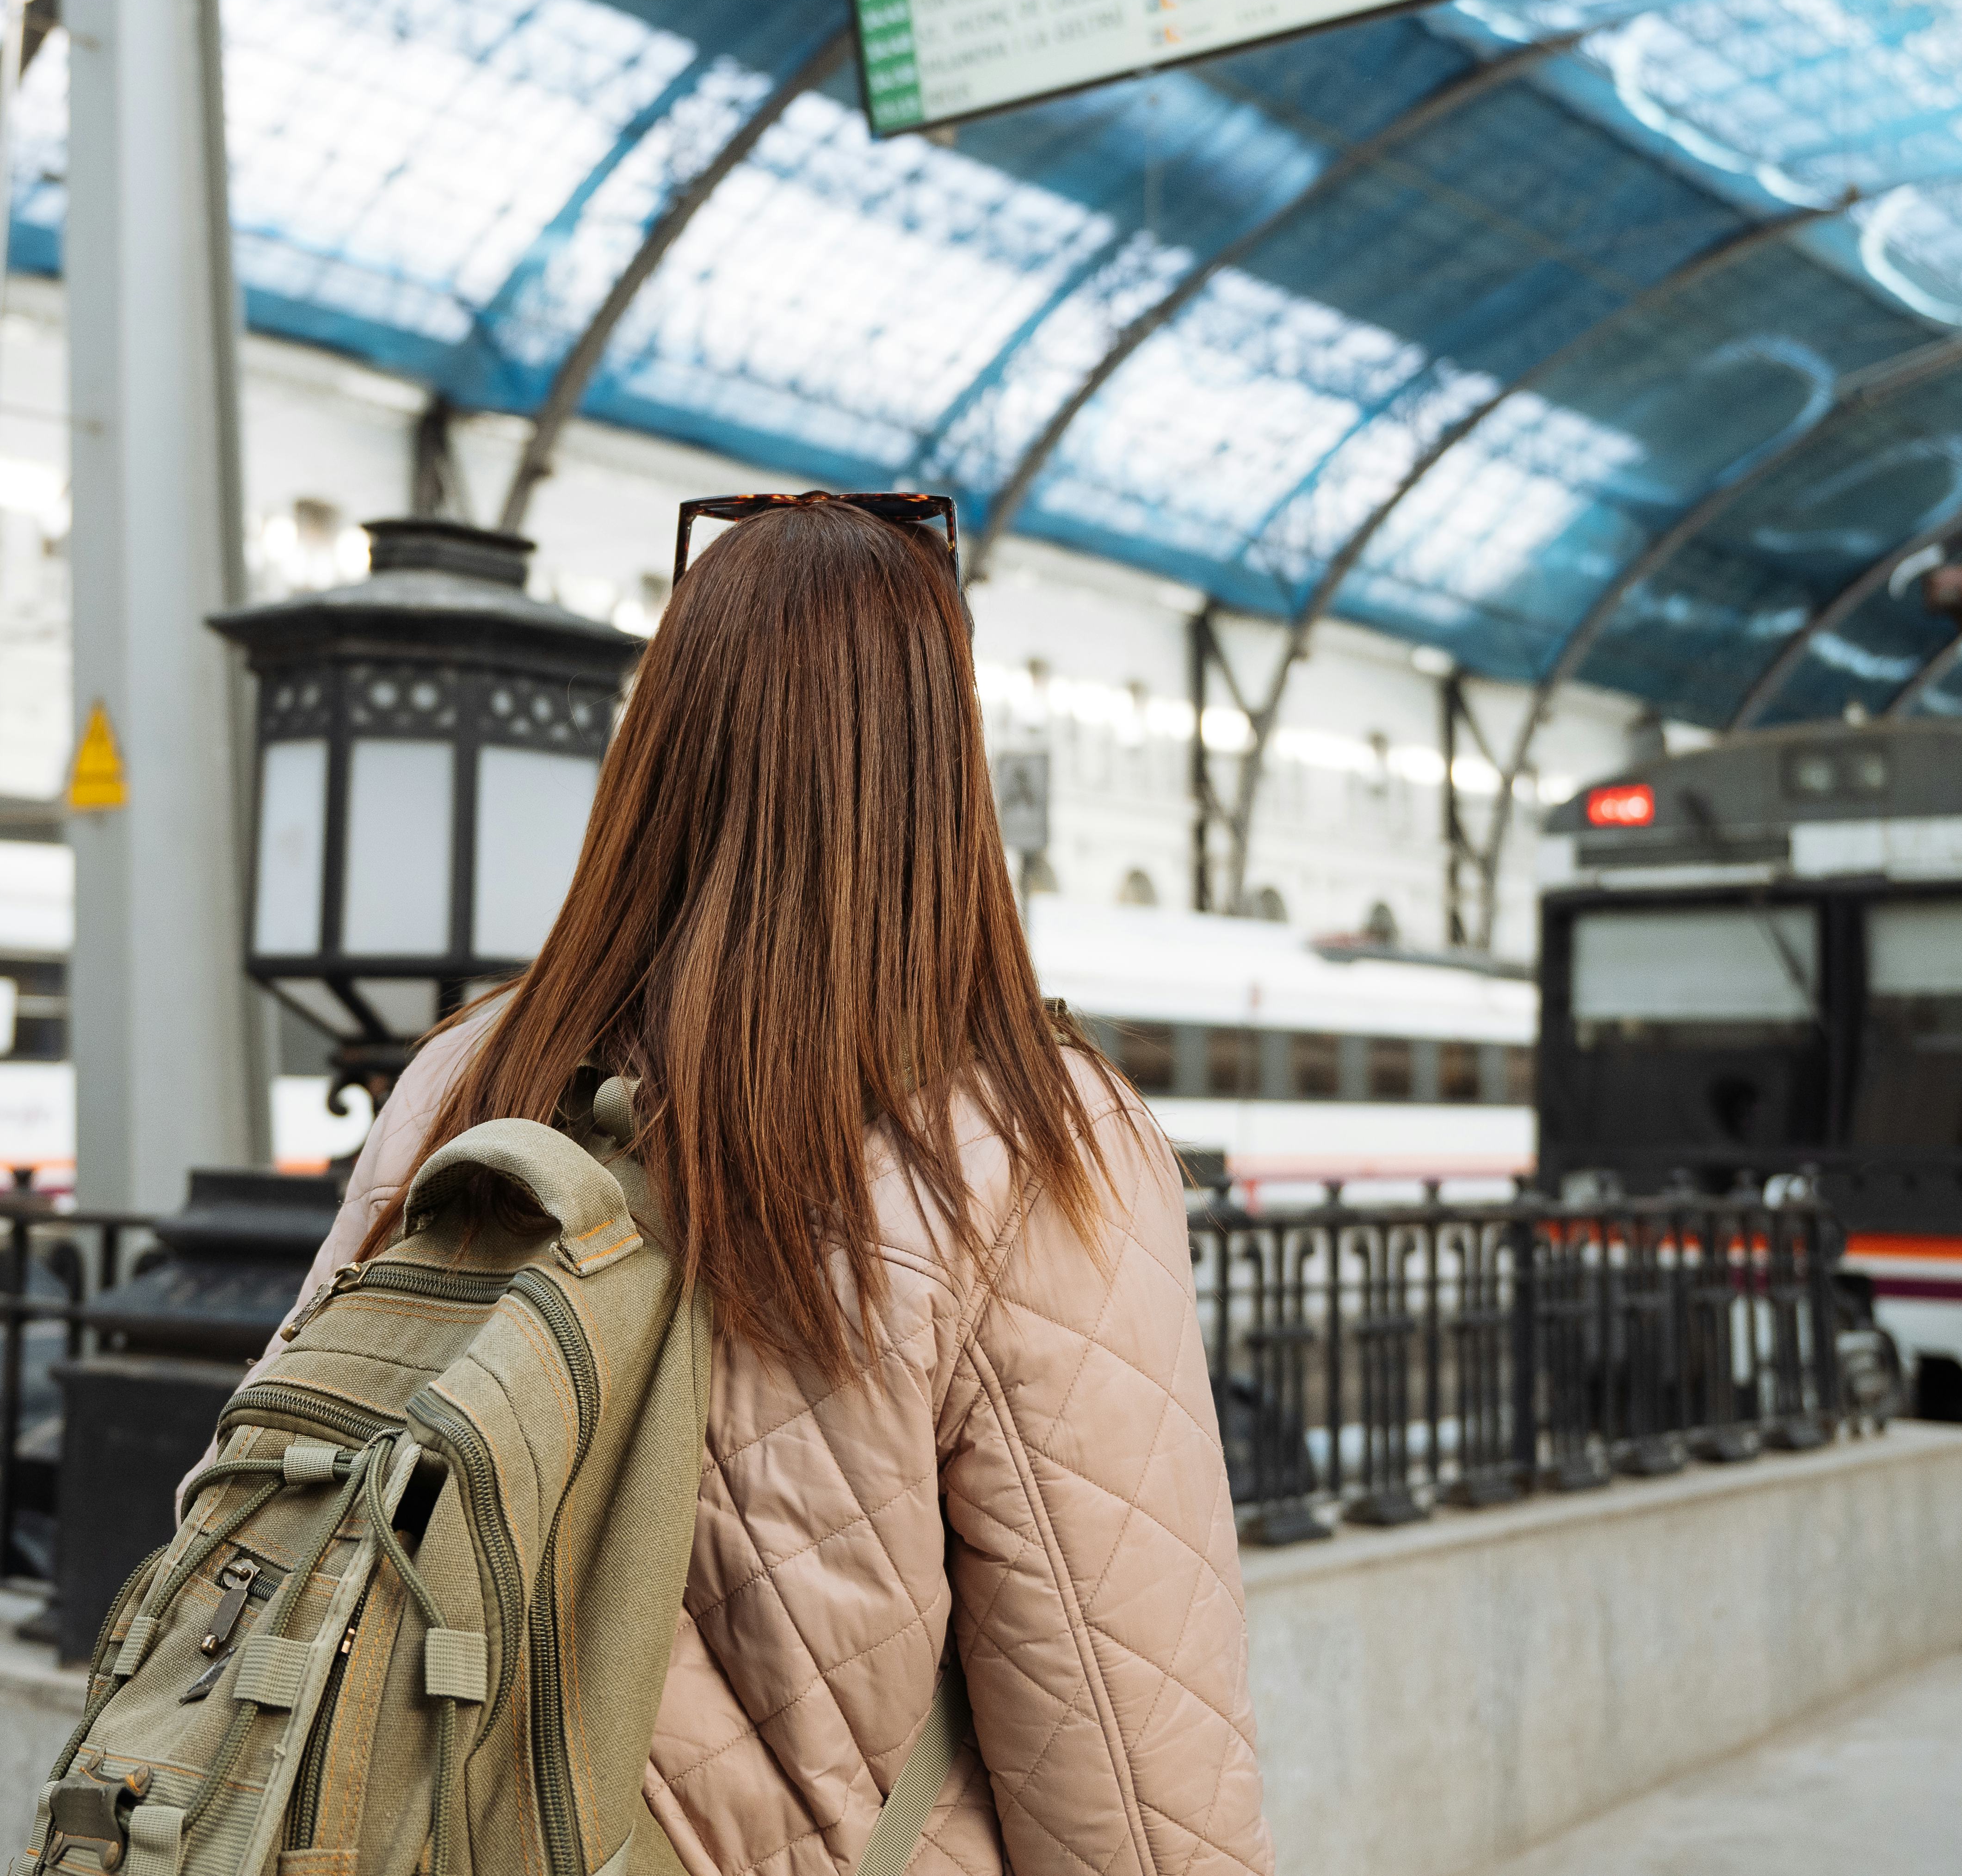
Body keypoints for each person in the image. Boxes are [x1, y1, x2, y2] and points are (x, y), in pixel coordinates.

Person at [262, 494, 1274, 1876]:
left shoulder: (461, 1078)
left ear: (657, 738)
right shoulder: (1032, 1143)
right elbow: (1119, 1715)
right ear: (940, 760)